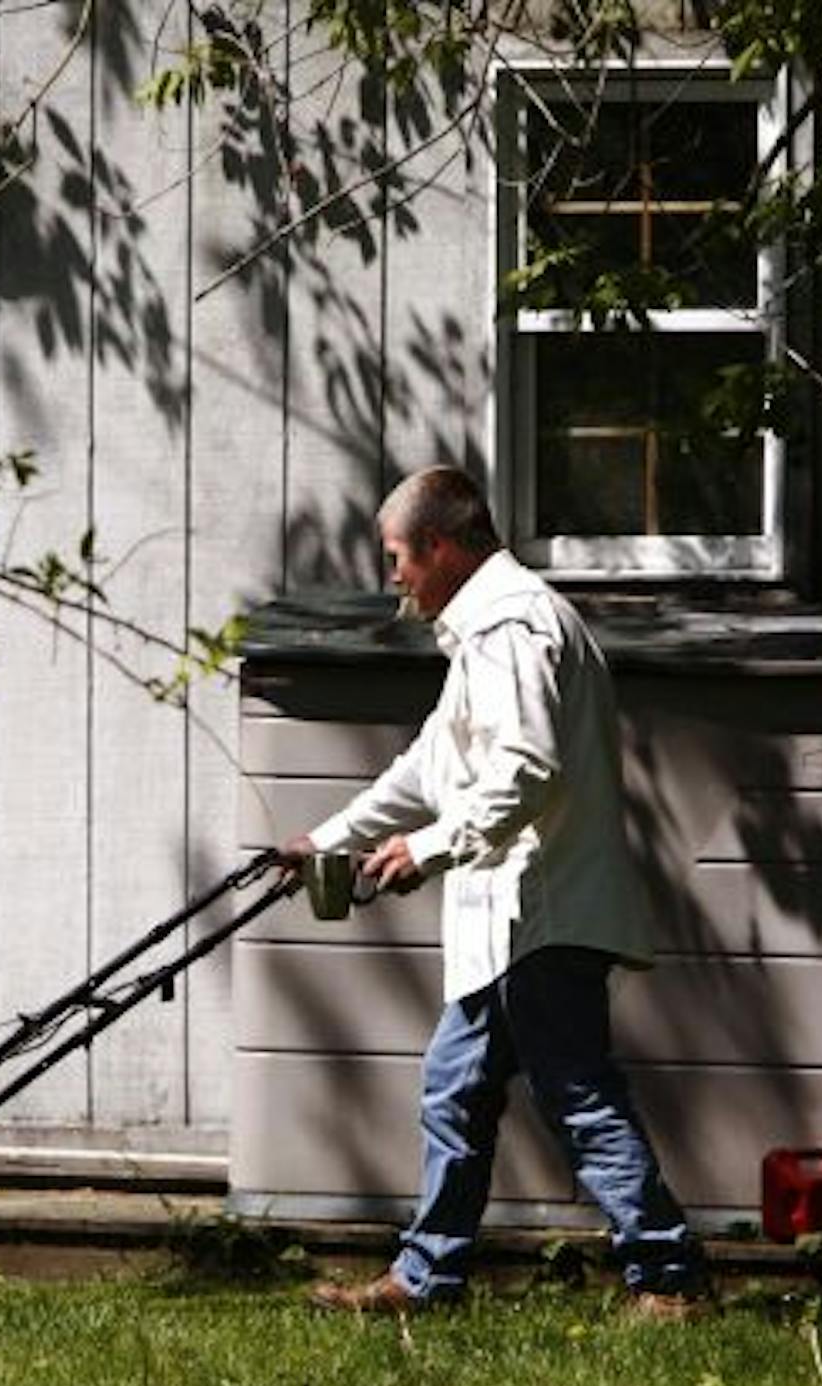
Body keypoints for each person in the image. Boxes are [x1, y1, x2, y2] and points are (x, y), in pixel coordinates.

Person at [280, 465, 709, 1319]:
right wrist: (328, 840)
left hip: (540, 914)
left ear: (439, 548)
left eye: (398, 556)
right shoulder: (484, 630)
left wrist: (432, 849)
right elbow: (431, 770)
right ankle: (425, 1279)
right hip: (513, 921)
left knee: (579, 1098)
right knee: (457, 1091)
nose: (392, 575)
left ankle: (669, 1278)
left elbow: (526, 769)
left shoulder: (511, 627)